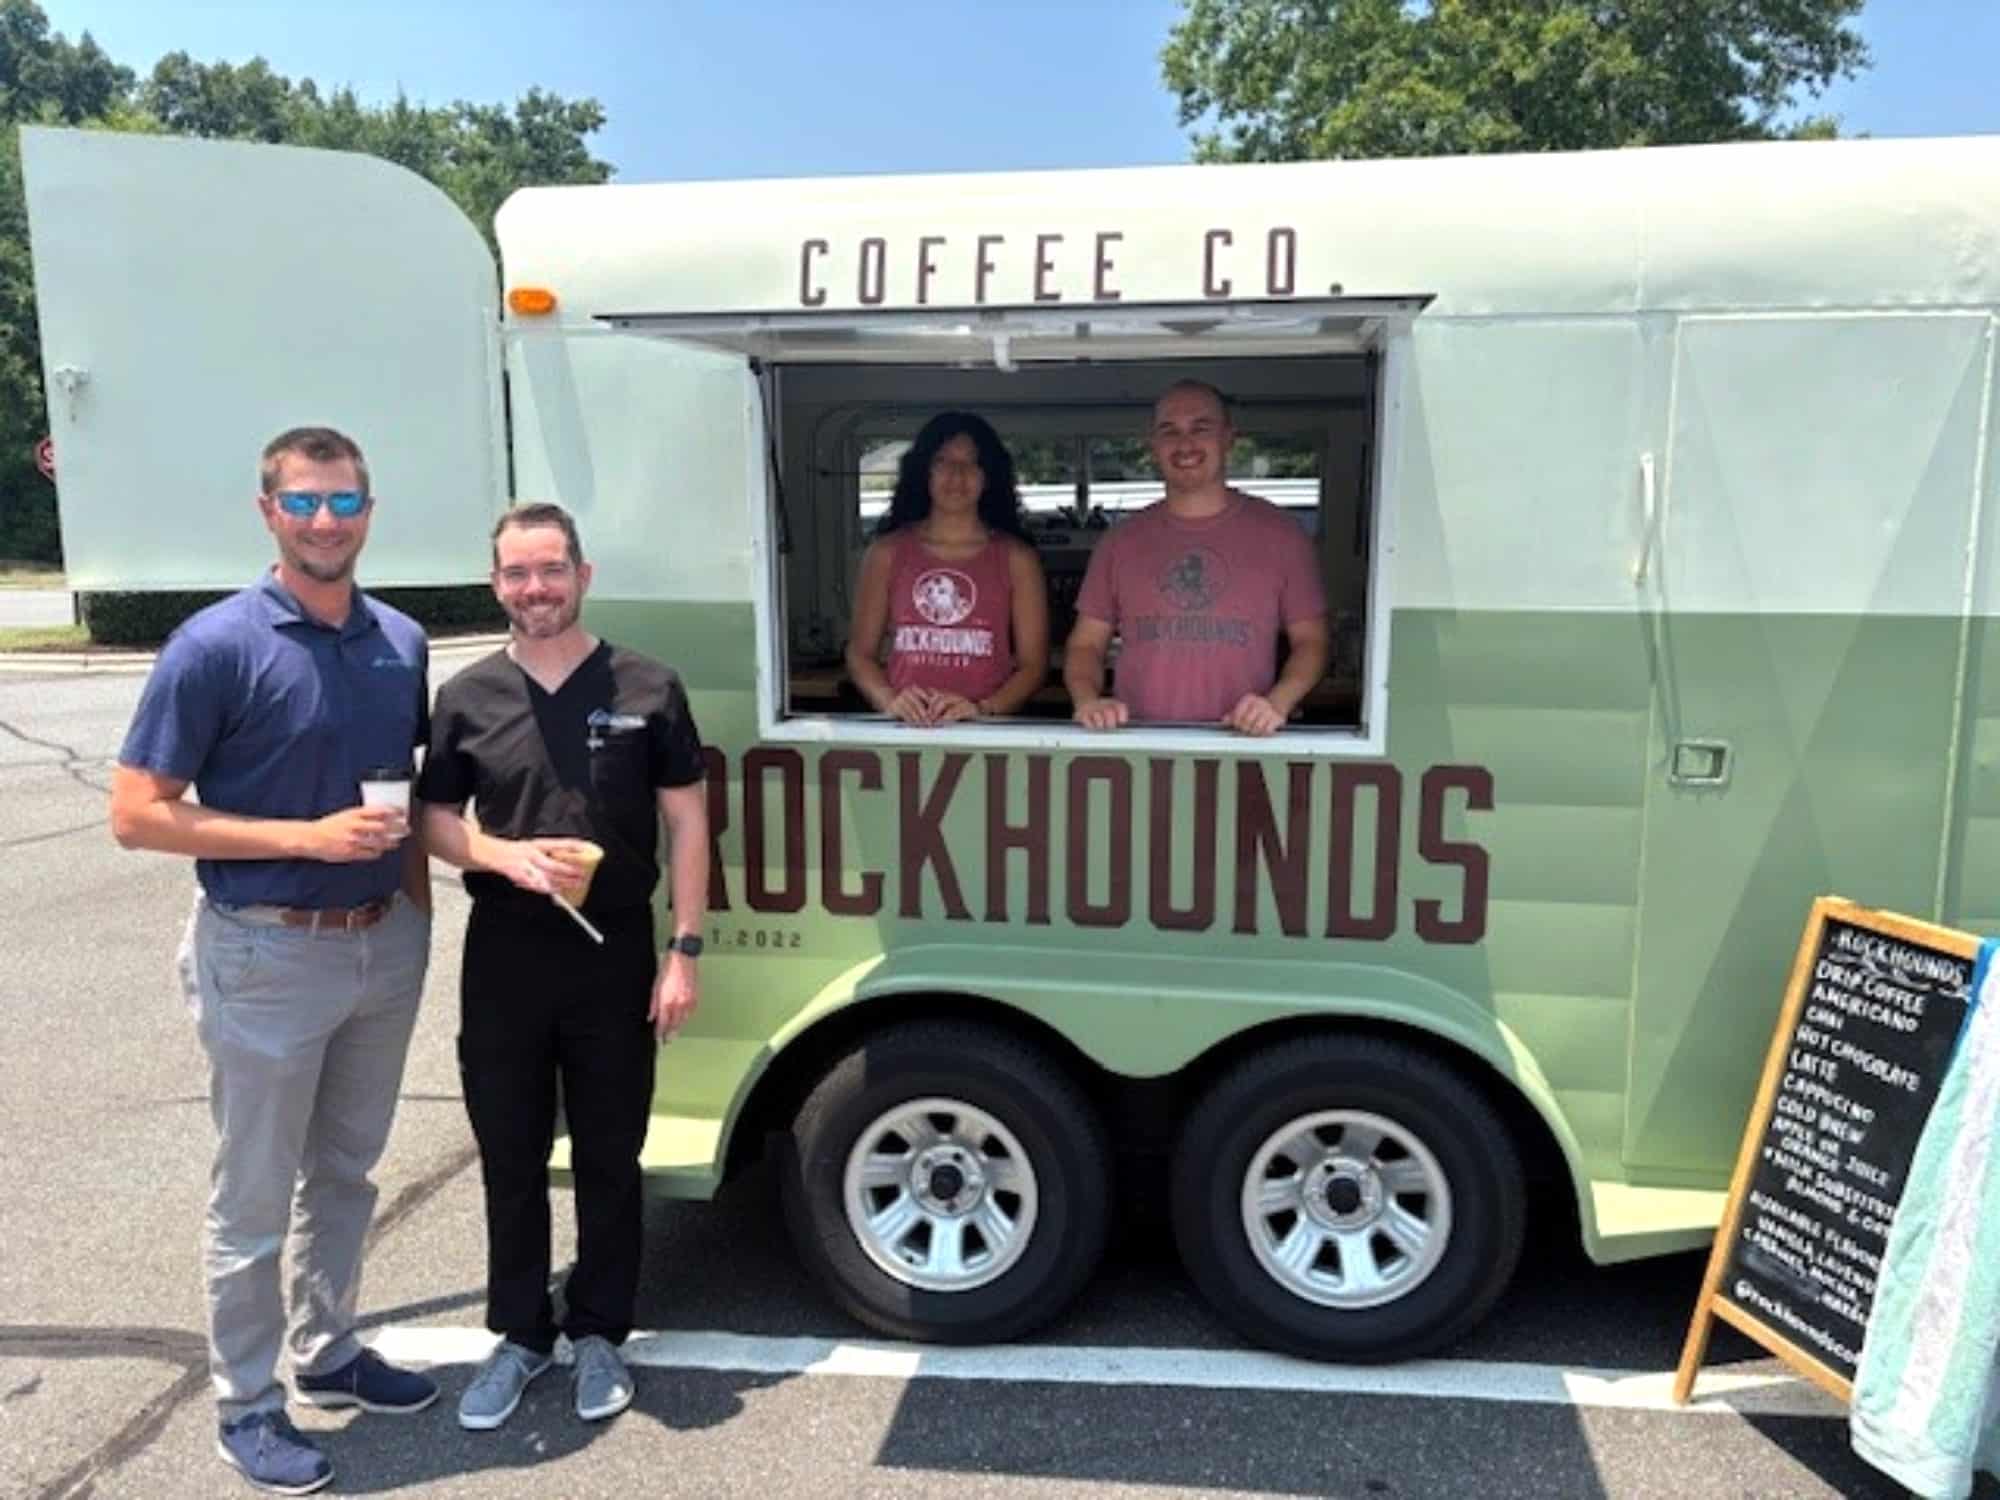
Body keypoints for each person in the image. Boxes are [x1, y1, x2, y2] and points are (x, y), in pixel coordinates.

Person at [109, 426, 436, 1496]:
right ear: (268, 515)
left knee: (344, 1174)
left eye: (344, 503)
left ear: (370, 512)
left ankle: (329, 1353)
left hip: (379, 948)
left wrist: (413, 920)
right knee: (251, 1199)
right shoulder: (214, 646)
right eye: (304, 504)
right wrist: (303, 839)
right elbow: (136, 816)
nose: (326, 523)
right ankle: (247, 1405)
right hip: (263, 951)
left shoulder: (401, 639)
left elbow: (407, 796)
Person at [417, 502, 708, 1433]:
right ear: (495, 583)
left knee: (610, 1152)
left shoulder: (647, 685)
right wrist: (502, 857)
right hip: (504, 950)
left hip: (615, 948)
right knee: (509, 1150)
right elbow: (434, 819)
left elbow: (689, 820)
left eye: (550, 570)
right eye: (515, 574)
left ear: (583, 575)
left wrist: (684, 951)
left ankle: (599, 1332)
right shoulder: (467, 696)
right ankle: (520, 1335)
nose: (534, 589)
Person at [1064, 381, 1329, 734]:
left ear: (1229, 438)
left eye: (1200, 429)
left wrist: (1277, 703)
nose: (1184, 444)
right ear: (1153, 445)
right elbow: (1085, 645)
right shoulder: (1119, 542)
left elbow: (1312, 642)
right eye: (1169, 431)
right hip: (1138, 747)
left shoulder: (1283, 536)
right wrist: (1087, 700)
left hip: (1243, 744)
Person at [845, 410, 1050, 725]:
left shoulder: (1017, 559)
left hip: (984, 733)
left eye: (972, 463)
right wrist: (890, 701)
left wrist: (983, 709)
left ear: (988, 476)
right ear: (923, 472)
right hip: (905, 731)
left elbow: (1034, 666)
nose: (957, 475)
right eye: (943, 462)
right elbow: (860, 654)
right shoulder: (886, 553)